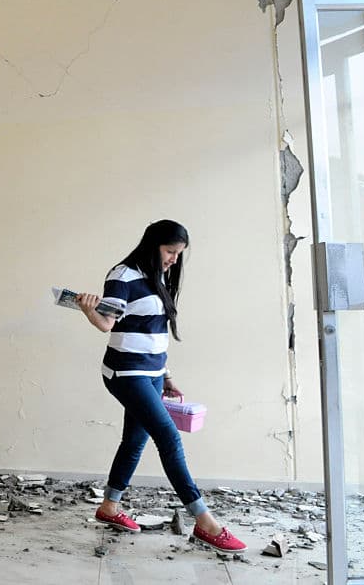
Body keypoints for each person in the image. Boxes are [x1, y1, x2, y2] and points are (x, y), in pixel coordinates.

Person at [76, 219, 246, 554]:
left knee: (135, 440)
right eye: (170, 251)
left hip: (152, 373)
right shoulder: (122, 276)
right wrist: (87, 310)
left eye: (178, 254)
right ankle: (204, 521)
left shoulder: (159, 276)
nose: (173, 259)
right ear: (153, 244)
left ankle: (109, 507)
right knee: (167, 437)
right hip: (125, 374)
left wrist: (165, 375)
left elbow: (154, 332)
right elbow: (107, 323)